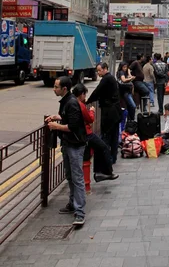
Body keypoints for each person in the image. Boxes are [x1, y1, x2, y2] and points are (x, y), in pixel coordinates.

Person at [45, 76, 86, 226]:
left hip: (75, 145)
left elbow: (72, 127)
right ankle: (72, 203)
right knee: (69, 175)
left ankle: (80, 212)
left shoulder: (72, 103)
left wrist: (56, 126)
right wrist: (58, 117)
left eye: (56, 87)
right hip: (68, 144)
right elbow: (67, 118)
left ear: (64, 89)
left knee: (77, 177)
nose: (53, 89)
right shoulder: (66, 101)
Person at [72, 83, 119, 183]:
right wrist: (92, 111)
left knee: (98, 148)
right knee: (104, 147)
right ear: (81, 94)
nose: (85, 97)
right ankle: (107, 172)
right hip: (87, 134)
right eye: (84, 95)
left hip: (81, 134)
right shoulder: (80, 105)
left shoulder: (72, 103)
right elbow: (90, 119)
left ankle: (98, 172)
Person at [87, 63, 122, 165]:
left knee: (107, 135)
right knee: (113, 136)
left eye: (99, 70)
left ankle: (108, 158)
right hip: (114, 111)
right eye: (97, 71)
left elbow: (97, 92)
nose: (98, 73)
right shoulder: (110, 78)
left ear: (105, 69)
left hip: (110, 112)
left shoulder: (107, 79)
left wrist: (87, 102)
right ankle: (112, 157)